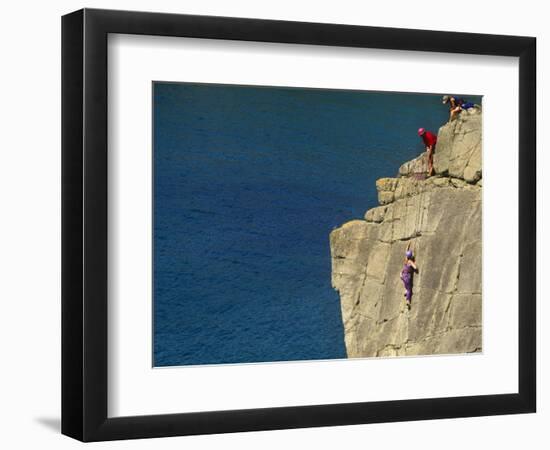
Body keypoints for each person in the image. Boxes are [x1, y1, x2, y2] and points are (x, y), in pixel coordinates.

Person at [400, 242, 418, 309]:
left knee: (406, 284)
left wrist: (408, 245)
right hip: (407, 276)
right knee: (409, 289)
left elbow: (406, 251)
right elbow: (415, 268)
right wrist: (415, 266)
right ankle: (408, 301)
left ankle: (405, 291)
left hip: (402, 275)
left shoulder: (405, 260)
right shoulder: (410, 262)